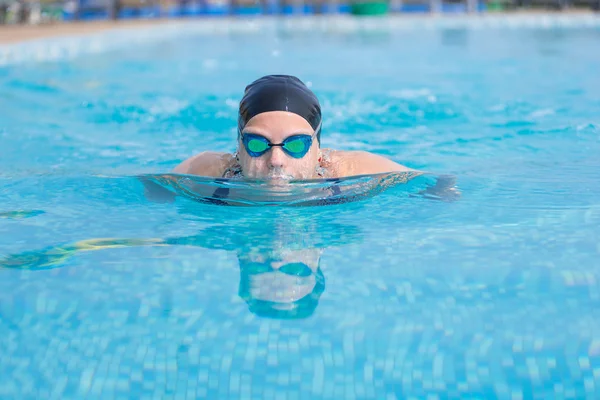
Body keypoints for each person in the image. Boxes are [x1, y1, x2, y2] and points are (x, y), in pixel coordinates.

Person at [173, 74, 416, 181]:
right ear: (239, 149)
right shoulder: (209, 170)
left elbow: (435, 185)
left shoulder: (346, 171)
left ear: (318, 151)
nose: (276, 159)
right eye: (258, 144)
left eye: (296, 144)